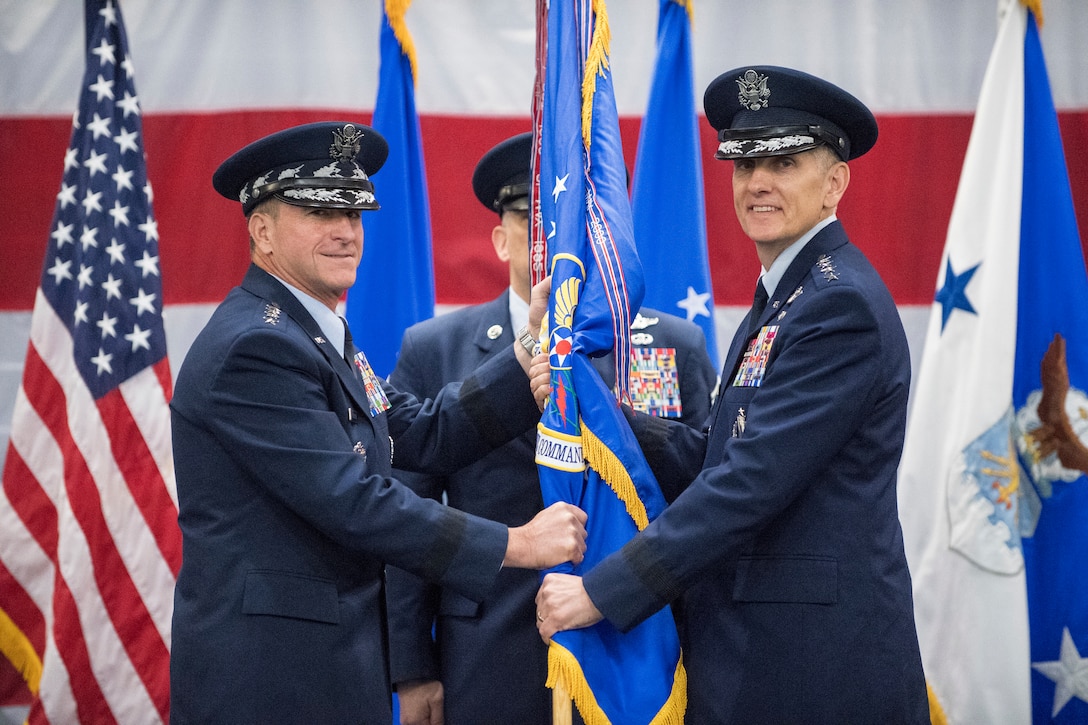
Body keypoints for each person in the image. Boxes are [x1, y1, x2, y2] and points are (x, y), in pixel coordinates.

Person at [534, 66, 930, 723]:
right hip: (761, 655)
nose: (758, 183)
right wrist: (600, 408)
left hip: (814, 671)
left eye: (785, 162)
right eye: (745, 165)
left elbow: (749, 483)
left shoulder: (838, 306)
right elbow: (720, 451)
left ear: (836, 182)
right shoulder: (789, 294)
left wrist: (603, 591)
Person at [168, 121, 588, 725]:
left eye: (355, 214)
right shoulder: (255, 347)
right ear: (260, 229)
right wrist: (517, 544)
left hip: (324, 665)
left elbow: (420, 431)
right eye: (320, 213)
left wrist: (527, 354)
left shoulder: (306, 331)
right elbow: (355, 502)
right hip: (273, 680)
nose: (345, 232)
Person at [383, 132, 717, 725]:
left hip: (634, 648)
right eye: (533, 218)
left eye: (576, 219)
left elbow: (701, 502)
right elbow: (409, 514)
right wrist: (414, 669)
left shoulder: (673, 345)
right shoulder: (435, 349)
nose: (556, 237)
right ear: (499, 237)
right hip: (486, 653)